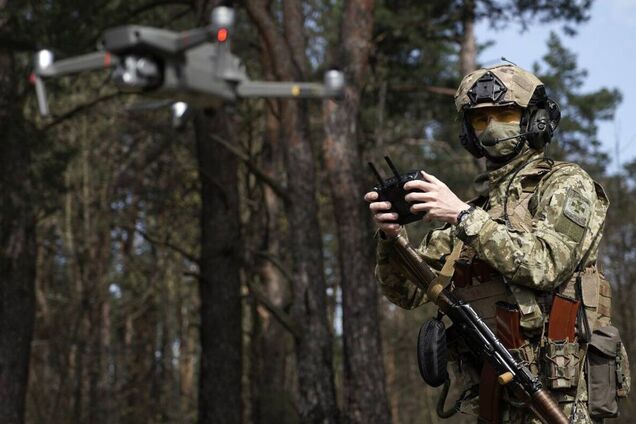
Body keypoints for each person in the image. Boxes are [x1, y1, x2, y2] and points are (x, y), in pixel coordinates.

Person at [364, 64, 630, 423]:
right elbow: (406, 293)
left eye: (505, 114)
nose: (491, 128)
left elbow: (546, 265)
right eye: (480, 119)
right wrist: (390, 239)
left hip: (558, 397)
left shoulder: (566, 184)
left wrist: (462, 216)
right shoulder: (474, 211)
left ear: (534, 120)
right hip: (492, 397)